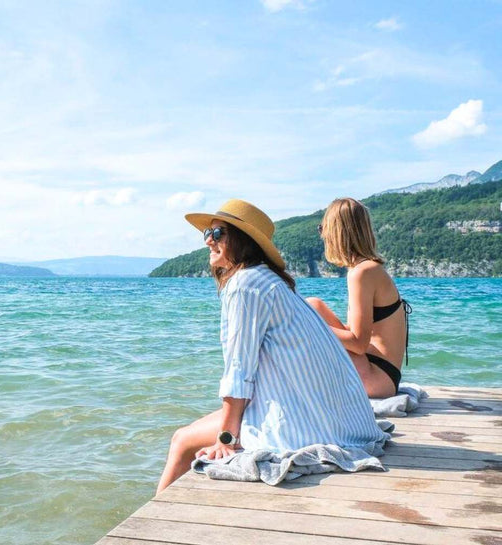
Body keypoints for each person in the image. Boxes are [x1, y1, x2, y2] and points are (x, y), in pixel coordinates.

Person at [156, 199, 388, 494]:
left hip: (308, 427)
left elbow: (239, 369)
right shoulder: (270, 282)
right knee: (193, 435)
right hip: (345, 423)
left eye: (217, 234)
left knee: (181, 441)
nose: (209, 242)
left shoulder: (245, 284)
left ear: (242, 240)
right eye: (207, 234)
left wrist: (226, 439)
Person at [307, 197, 411, 399]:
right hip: (383, 372)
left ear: (337, 232)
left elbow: (358, 343)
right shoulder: (369, 268)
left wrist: (312, 327)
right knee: (314, 305)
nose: (323, 236)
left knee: (309, 313)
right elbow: (363, 337)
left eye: (323, 228)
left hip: (378, 379)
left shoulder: (361, 273)